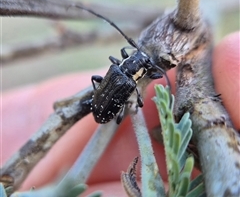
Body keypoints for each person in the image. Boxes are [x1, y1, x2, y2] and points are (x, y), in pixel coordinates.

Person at [2, 32, 239, 195]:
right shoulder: (128, 85)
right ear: (136, 68)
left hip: (101, 104)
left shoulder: (118, 70)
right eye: (141, 64)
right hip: (104, 110)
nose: (140, 63)